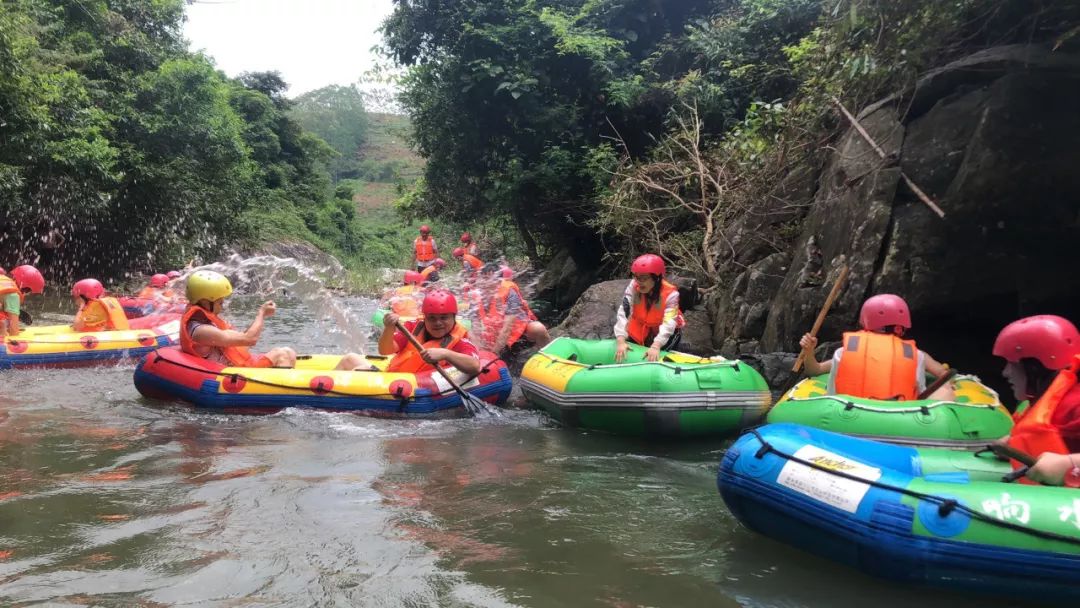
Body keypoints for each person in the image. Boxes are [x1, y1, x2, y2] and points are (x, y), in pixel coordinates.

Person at [181, 270, 364, 370]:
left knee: (287, 352)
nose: (223, 305)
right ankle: (287, 398)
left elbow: (241, 339)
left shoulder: (205, 322)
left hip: (239, 367)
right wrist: (261, 314)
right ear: (206, 301)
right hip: (233, 374)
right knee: (283, 354)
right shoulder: (200, 331)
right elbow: (249, 340)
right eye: (220, 301)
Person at [798, 294, 953, 400]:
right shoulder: (916, 355)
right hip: (902, 420)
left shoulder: (845, 353)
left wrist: (809, 352)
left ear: (865, 322)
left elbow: (814, 370)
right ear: (901, 326)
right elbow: (943, 374)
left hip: (845, 416)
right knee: (944, 391)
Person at [993, 315, 1080, 486]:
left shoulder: (1075, 404)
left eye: (1011, 364)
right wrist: (1017, 447)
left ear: (1034, 368)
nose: (1005, 373)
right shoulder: (1045, 405)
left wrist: (1070, 464)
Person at [379, 289, 481, 375]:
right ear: (424, 318)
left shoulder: (460, 340)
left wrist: (446, 354)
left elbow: (475, 366)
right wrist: (389, 328)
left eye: (444, 318)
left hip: (423, 391)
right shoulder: (412, 327)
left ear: (453, 317)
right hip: (394, 379)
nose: (438, 323)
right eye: (431, 318)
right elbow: (385, 351)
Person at [614, 254, 685, 363]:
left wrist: (656, 345)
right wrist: (620, 340)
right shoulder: (633, 286)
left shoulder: (671, 294)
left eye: (643, 278)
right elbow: (624, 311)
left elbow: (669, 322)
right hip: (643, 326)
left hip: (664, 330)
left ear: (656, 278)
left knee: (662, 355)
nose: (639, 281)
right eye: (636, 276)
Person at [481, 267, 550, 354]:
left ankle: (549, 355)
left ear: (498, 280)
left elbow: (507, 328)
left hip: (518, 334)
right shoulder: (479, 297)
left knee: (538, 329)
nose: (483, 283)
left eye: (487, 279)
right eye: (482, 279)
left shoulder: (509, 292)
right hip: (495, 337)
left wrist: (494, 354)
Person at [0, 265, 45, 337]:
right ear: (25, 288)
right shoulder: (13, 295)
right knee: (5, 320)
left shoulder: (2, 279)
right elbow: (14, 332)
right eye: (28, 291)